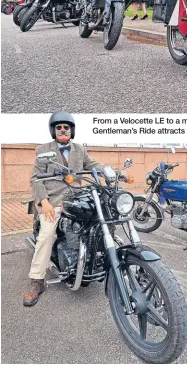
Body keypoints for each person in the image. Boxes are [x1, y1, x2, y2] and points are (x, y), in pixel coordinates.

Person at [23, 111, 106, 307]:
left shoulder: (79, 149)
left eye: (66, 127)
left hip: (77, 199)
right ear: (53, 130)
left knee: (99, 224)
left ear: (72, 130)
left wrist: (109, 171)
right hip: (53, 201)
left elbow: (93, 165)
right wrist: (43, 201)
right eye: (59, 127)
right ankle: (37, 281)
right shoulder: (43, 150)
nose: (63, 130)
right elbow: (35, 179)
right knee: (47, 235)